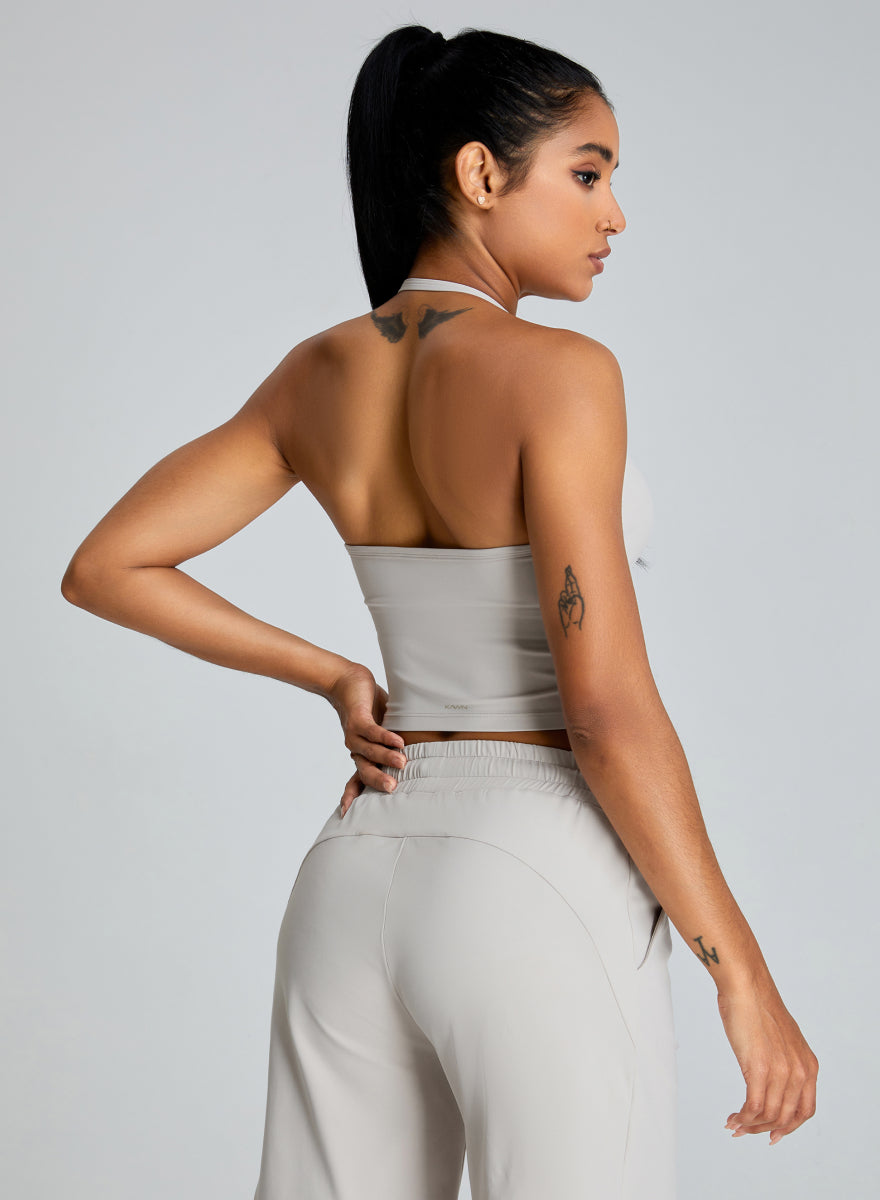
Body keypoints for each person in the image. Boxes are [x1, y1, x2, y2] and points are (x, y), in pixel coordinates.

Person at [60, 22, 818, 1200]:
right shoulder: (562, 374)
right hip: (537, 870)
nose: (615, 214)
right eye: (588, 173)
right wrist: (742, 973)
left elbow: (106, 565)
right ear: (479, 173)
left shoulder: (317, 372)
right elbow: (605, 714)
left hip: (354, 872)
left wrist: (332, 674)